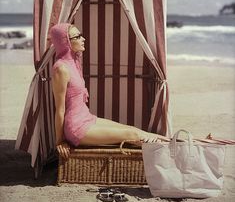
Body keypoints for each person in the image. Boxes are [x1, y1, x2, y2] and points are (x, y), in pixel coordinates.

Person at [50, 23, 170, 159]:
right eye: (77, 36)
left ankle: (173, 143)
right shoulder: (61, 69)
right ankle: (169, 155)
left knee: (133, 129)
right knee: (133, 136)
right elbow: (60, 109)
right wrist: (60, 141)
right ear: (65, 42)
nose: (83, 39)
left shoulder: (74, 63)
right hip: (76, 128)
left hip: (87, 119)